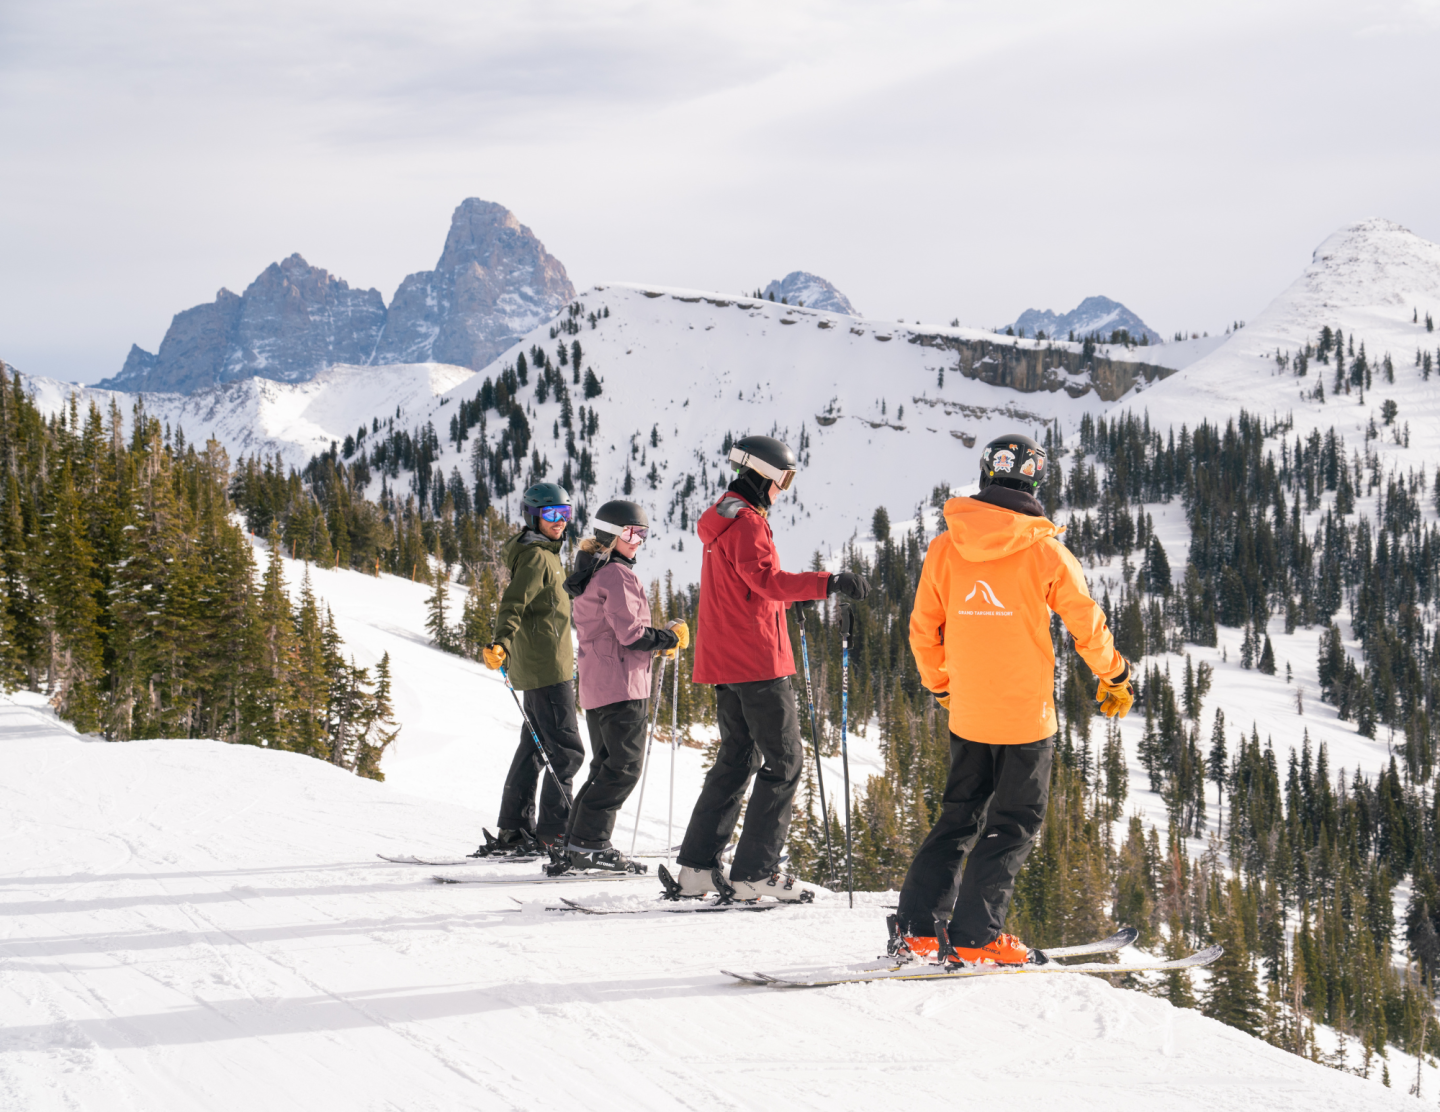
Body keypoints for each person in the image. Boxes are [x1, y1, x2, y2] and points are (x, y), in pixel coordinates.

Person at [893, 432, 1133, 964]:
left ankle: (918, 928)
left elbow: (923, 629)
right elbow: (1086, 623)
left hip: (968, 711)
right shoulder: (1045, 551)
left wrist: (942, 686)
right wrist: (1114, 675)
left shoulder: (945, 547)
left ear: (986, 474)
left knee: (958, 817)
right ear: (1035, 484)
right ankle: (976, 936)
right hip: (1026, 717)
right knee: (1013, 824)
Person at [670, 435, 870, 901]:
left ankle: (697, 868)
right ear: (765, 474)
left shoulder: (723, 517)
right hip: (757, 661)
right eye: (785, 479)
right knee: (784, 761)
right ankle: (755, 874)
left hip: (726, 660)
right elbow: (766, 581)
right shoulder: (748, 523)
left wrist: (785, 601)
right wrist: (828, 582)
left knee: (737, 758)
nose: (784, 490)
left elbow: (744, 588)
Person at [559, 499, 688, 873]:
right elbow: (631, 635)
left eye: (643, 534)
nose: (638, 541)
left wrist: (661, 638)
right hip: (622, 685)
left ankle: (577, 843)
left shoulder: (592, 572)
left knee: (605, 766)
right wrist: (669, 638)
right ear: (611, 534)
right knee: (624, 768)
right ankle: (589, 844)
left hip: (598, 686)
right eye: (632, 533)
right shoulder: (617, 575)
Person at [480, 483, 587, 854]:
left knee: (534, 748)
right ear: (533, 516)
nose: (560, 522)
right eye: (551, 514)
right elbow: (514, 603)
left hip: (542, 666)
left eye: (565, 514)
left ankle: (514, 828)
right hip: (548, 669)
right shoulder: (538, 557)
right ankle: (555, 836)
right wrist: (501, 642)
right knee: (567, 752)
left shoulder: (545, 554)